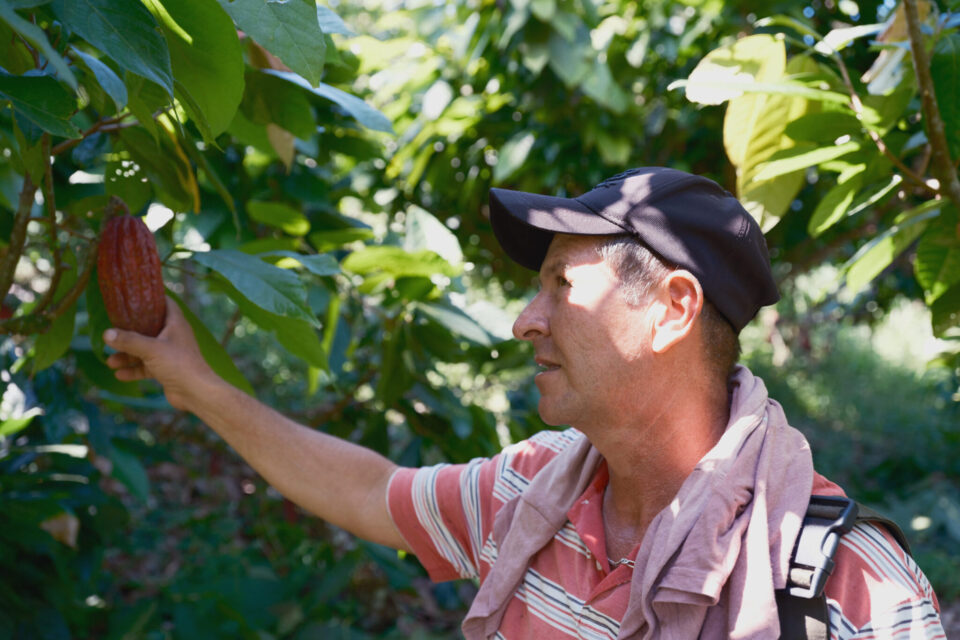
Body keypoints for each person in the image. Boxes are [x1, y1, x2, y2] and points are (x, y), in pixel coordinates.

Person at [104, 167, 946, 639]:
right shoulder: (536, 495)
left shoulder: (843, 587)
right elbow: (366, 491)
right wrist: (198, 383)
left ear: (673, 310)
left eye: (558, 286)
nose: (523, 321)